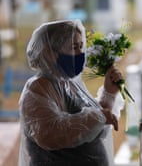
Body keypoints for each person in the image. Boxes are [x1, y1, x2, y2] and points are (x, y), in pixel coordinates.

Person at [18, 20, 124, 166]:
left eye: (81, 46)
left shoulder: (69, 84)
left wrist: (109, 94)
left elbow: (93, 129)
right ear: (50, 53)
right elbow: (50, 134)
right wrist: (98, 117)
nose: (81, 53)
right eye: (74, 47)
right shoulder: (38, 87)